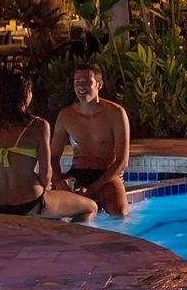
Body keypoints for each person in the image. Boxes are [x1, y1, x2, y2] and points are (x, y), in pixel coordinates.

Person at [0, 69, 96, 222]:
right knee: (90, 207)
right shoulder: (38, 125)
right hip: (29, 203)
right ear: (26, 94)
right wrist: (46, 189)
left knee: (53, 213)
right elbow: (46, 172)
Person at [51, 62, 132, 216]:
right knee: (48, 208)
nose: (81, 86)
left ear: (99, 85)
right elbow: (53, 157)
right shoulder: (66, 115)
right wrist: (58, 182)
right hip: (78, 172)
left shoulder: (116, 114)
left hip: (106, 174)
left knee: (120, 212)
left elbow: (122, 160)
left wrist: (92, 189)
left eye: (87, 82)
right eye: (77, 82)